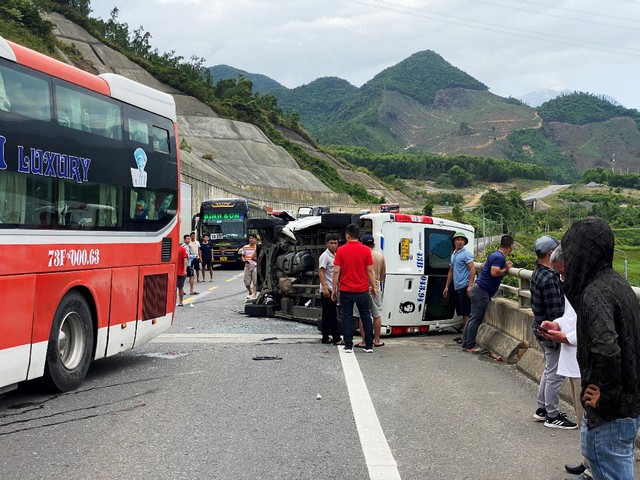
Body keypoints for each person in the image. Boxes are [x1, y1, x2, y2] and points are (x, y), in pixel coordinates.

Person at [562, 217, 640, 480]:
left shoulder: (594, 292)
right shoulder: (619, 284)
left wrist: (604, 397)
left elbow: (607, 348)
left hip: (611, 417)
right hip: (628, 408)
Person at [539, 245, 591, 478]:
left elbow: (593, 327)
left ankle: (592, 466)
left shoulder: (591, 290)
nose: (561, 278)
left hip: (584, 362)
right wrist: (557, 324)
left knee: (591, 420)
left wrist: (566, 337)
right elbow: (571, 317)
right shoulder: (574, 288)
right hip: (572, 359)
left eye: (563, 272)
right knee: (583, 419)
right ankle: (587, 460)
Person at [531, 235, 577, 430]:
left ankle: (542, 409)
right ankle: (552, 415)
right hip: (551, 332)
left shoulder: (537, 272)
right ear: (551, 253)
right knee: (555, 375)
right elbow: (556, 310)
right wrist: (562, 332)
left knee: (549, 371)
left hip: (540, 328)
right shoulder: (550, 278)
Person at [461, 234, 514, 352]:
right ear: (511, 246)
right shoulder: (499, 257)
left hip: (478, 289)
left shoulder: (495, 254)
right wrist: (507, 268)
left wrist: (504, 266)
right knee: (475, 319)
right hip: (481, 292)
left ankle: (466, 343)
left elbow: (486, 265)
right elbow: (494, 272)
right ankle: (469, 345)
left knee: (472, 318)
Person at [332, 223, 377, 353]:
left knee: (347, 317)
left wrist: (334, 289)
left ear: (347, 235)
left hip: (346, 290)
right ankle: (369, 345)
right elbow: (370, 270)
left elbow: (336, 271)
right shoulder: (366, 250)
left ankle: (348, 345)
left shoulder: (341, 250)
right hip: (362, 290)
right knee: (366, 317)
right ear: (358, 235)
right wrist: (373, 287)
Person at [443, 231, 476, 343]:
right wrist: (447, 286)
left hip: (464, 286)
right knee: (462, 312)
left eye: (462, 240)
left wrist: (470, 285)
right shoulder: (454, 254)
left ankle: (466, 338)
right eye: (458, 239)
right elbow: (451, 271)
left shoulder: (466, 254)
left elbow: (472, 269)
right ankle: (464, 335)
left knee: (466, 313)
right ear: (454, 241)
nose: (460, 242)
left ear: (464, 242)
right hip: (457, 286)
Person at [356, 234, 386, 348]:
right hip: (376, 288)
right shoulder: (380, 256)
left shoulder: (361, 255)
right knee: (377, 315)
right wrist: (377, 282)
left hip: (363, 288)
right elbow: (383, 274)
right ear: (373, 244)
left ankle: (364, 341)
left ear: (362, 244)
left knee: (362, 315)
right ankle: (377, 340)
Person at [318, 234, 342, 345]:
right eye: (331, 243)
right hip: (327, 289)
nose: (333, 245)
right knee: (332, 314)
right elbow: (321, 271)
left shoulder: (336, 255)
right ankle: (336, 338)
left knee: (326, 314)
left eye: (335, 243)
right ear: (327, 243)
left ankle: (325, 337)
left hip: (333, 288)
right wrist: (324, 287)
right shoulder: (325, 256)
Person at [242, 234, 258, 300]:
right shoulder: (245, 247)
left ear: (255, 239)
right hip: (247, 266)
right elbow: (243, 256)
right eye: (250, 238)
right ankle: (250, 292)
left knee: (255, 281)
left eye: (252, 238)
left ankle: (254, 295)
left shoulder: (257, 248)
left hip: (255, 266)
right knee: (246, 282)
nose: (251, 240)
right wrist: (245, 261)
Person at [176, 236, 189, 306]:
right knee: (180, 287)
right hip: (178, 272)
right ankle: (180, 301)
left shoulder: (182, 249)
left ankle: (179, 301)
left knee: (178, 288)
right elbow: (185, 260)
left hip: (178, 272)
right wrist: (184, 270)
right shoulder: (182, 249)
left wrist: (184, 270)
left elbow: (185, 260)